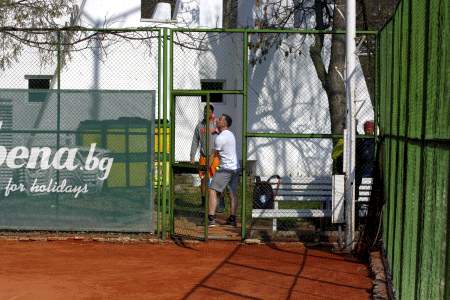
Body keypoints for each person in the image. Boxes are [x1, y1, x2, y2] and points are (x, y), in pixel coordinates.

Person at [190, 105, 225, 212]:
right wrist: (192, 156)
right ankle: (204, 202)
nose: (207, 113)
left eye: (209, 111)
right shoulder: (199, 126)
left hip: (215, 157)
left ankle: (220, 202)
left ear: (212, 113)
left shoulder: (216, 124)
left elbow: (224, 138)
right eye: (205, 111)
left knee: (217, 181)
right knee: (203, 180)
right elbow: (195, 141)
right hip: (203, 157)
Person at [207, 114, 240, 227]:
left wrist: (207, 167)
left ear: (225, 123)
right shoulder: (230, 134)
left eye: (220, 119)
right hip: (235, 168)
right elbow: (219, 132)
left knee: (212, 190)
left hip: (225, 169)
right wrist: (216, 130)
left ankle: (211, 218)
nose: (217, 120)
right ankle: (232, 218)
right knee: (232, 193)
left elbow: (213, 154)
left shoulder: (220, 138)